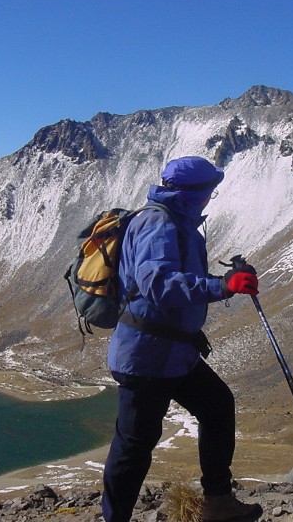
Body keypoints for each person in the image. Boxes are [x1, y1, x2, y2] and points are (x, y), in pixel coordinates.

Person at [102, 156, 263, 522]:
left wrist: (226, 279)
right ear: (195, 192)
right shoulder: (158, 223)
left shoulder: (178, 221)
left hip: (172, 353)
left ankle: (218, 502)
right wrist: (222, 287)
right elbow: (158, 285)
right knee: (134, 447)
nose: (211, 197)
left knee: (217, 406)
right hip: (145, 358)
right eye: (209, 190)